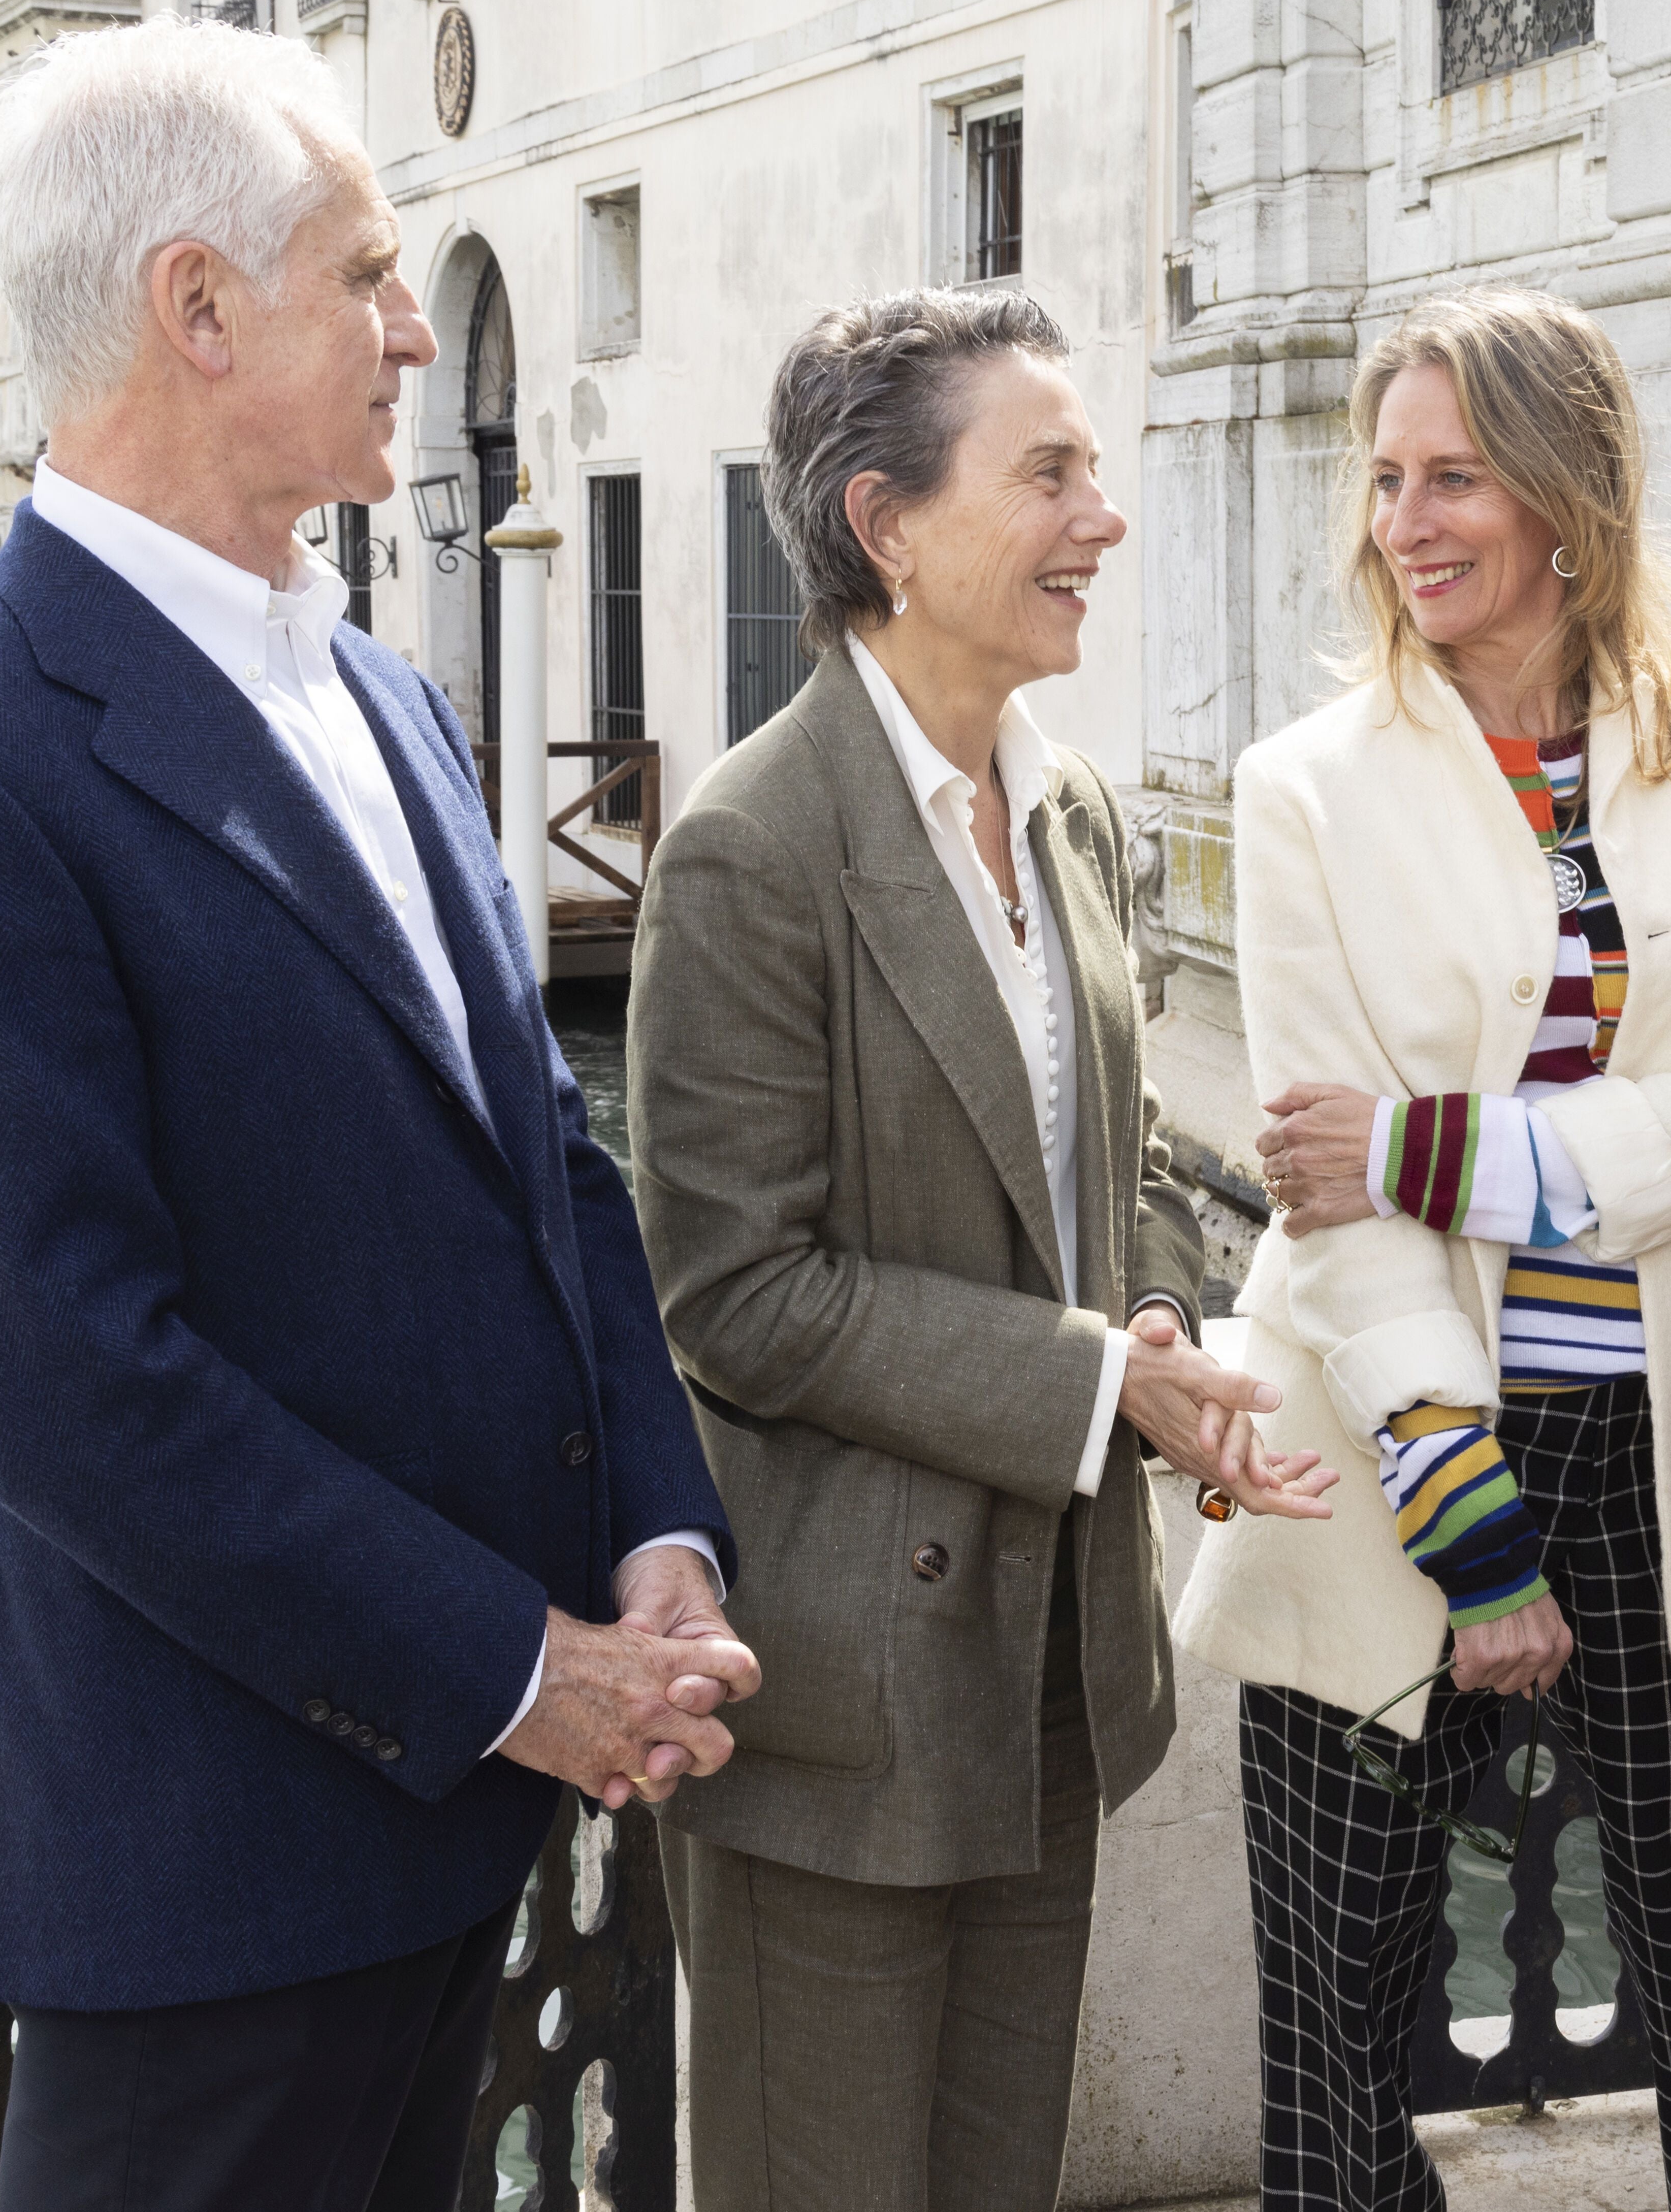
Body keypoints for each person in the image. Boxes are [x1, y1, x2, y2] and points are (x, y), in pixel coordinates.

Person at [0, 16, 750, 2210]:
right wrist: (530, 1673)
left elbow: (551, 1158)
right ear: (197, 308)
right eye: (369, 269)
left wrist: (662, 1541)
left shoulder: (391, 693)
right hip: (207, 1874)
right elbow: (75, 1391)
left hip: (455, 1822)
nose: (419, 325)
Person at [623, 287, 1330, 2212]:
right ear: (886, 526)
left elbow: (1121, 1166)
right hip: (848, 1699)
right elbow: (735, 1294)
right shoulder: (750, 850)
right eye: (1051, 472)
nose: (1102, 514)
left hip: (1046, 1671)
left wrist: (1163, 1327)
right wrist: (1105, 1385)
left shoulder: (1075, 812)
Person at [1171, 285, 1671, 2210]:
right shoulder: (1306, 787)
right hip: (1389, 1461)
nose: (1406, 520)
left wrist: (1425, 1143)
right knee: (1344, 2020)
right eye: (1385, 478)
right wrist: (1468, 1529)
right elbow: (1326, 1204)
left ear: (1567, 493)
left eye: (1454, 475)